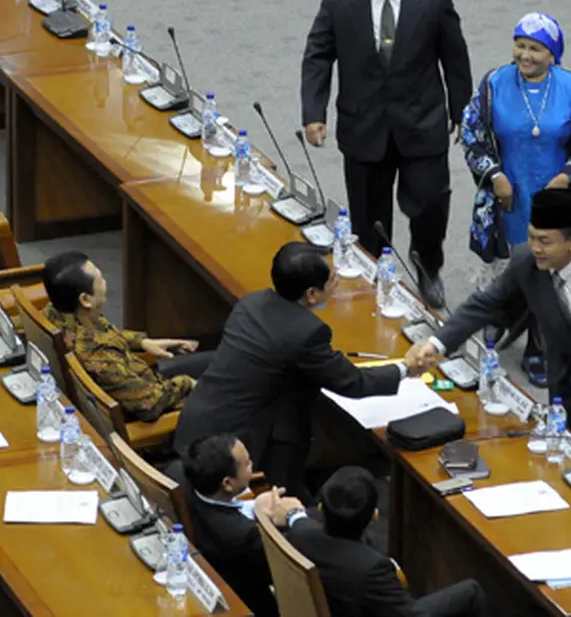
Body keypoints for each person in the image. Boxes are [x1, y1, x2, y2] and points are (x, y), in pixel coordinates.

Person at [406, 188, 571, 495]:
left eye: (545, 241)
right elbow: (483, 304)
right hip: (569, 389)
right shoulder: (525, 262)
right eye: (532, 237)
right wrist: (436, 344)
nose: (535, 248)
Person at [300, 0, 472, 310]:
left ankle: (428, 266)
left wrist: (463, 110)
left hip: (423, 122)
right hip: (364, 127)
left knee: (431, 204)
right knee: (367, 217)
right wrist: (314, 111)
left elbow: (455, 57)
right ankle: (375, 273)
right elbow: (318, 57)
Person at [173, 242, 426, 503]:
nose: (336, 282)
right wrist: (406, 368)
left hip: (197, 421)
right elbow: (353, 382)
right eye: (332, 280)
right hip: (230, 450)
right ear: (312, 294)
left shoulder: (251, 302)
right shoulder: (306, 334)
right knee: (301, 441)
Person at [459, 11, 571, 387]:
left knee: (550, 269)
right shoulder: (494, 83)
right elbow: (471, 131)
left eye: (535, 49)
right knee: (508, 264)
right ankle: (502, 317)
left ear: (553, 55)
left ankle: (541, 346)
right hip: (509, 195)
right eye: (520, 45)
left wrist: (569, 175)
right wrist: (494, 175)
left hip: (556, 199)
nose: (525, 55)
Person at [274, 466, 488, 617]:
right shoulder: (372, 568)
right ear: (374, 516)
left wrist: (292, 511)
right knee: (471, 591)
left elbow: (297, 519)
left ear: (320, 509)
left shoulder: (300, 533)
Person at [42, 251, 211, 423]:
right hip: (157, 409)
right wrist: (187, 383)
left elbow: (105, 334)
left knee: (214, 362)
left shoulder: (59, 313)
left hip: (140, 378)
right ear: (85, 299)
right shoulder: (100, 357)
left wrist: (142, 342)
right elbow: (149, 405)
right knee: (224, 372)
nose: (105, 282)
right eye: (99, 279)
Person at [182, 434, 305, 617]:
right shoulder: (243, 536)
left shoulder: (185, 480)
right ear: (227, 483)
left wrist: (256, 507)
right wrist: (285, 518)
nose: (252, 464)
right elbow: (289, 557)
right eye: (247, 464)